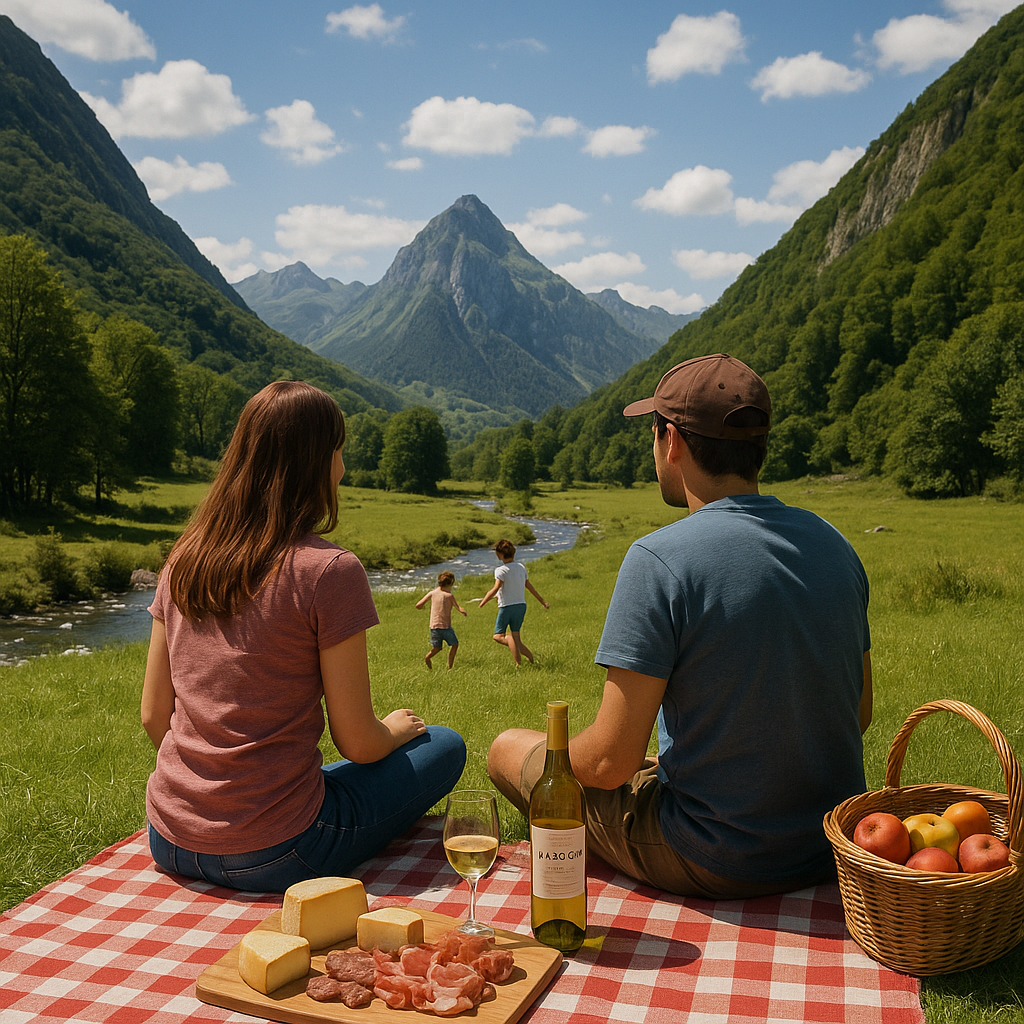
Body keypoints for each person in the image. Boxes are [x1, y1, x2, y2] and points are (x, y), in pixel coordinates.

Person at [488, 353, 872, 899]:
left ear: (673, 442)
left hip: (713, 855)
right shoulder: (837, 546)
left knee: (508, 748)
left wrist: (555, 756)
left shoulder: (659, 558)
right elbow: (860, 713)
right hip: (830, 846)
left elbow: (608, 760)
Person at [141, 381, 466, 892]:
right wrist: (397, 731)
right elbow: (359, 743)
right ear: (316, 463)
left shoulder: (182, 561)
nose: (342, 468)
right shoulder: (330, 571)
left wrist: (215, 795)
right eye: (338, 452)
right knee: (445, 745)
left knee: (326, 774)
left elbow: (153, 716)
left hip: (169, 836)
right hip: (281, 850)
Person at [479, 539, 549, 667]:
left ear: (499, 555)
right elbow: (529, 586)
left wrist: (484, 600)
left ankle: (518, 664)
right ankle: (530, 657)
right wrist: (542, 601)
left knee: (498, 636)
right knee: (516, 636)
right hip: (521, 606)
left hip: (507, 607)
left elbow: (496, 588)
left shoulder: (500, 570)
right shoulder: (521, 567)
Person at [416, 571, 467, 669]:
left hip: (434, 627)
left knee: (437, 648)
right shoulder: (449, 595)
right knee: (455, 644)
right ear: (449, 584)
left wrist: (422, 607)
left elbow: (418, 605)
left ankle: (428, 657)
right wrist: (463, 611)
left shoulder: (432, 593)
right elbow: (458, 607)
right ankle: (450, 667)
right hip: (446, 627)